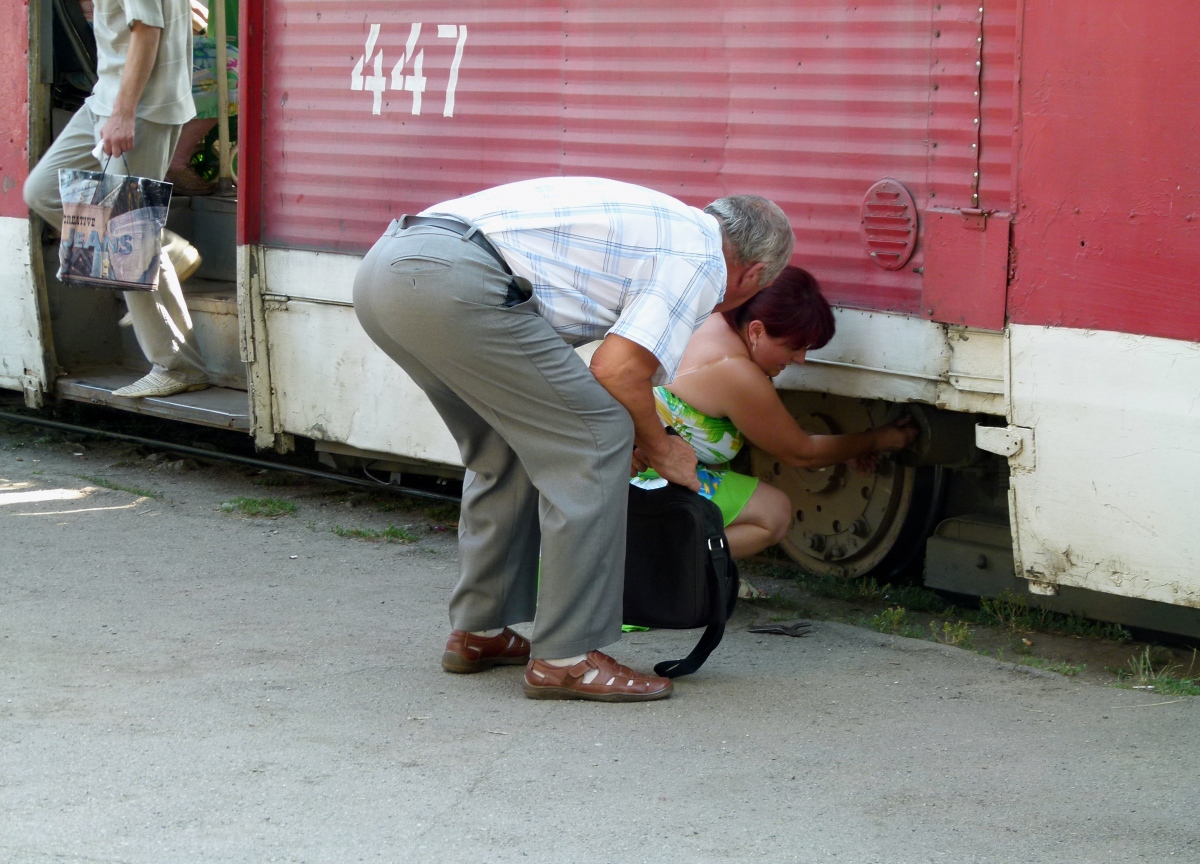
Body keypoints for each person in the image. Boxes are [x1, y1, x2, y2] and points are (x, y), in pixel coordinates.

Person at [353, 177, 794, 702]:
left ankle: (481, 629)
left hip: (388, 269)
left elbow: (599, 377)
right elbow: (618, 369)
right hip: (456, 280)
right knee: (597, 439)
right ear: (754, 273)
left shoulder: (670, 226)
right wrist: (660, 447)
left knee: (505, 448)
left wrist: (641, 434)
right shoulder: (702, 258)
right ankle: (567, 659)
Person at [643, 265, 917, 562]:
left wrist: (844, 452)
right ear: (757, 330)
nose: (800, 359)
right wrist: (877, 440)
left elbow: (766, 434)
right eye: (792, 346)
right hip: (647, 483)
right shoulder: (735, 371)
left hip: (640, 467)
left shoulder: (716, 321)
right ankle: (662, 564)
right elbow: (802, 453)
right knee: (773, 514)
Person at [24, 0, 209, 399]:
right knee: (43, 190)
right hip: (104, 97)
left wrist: (124, 113)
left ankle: (177, 366)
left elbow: (147, 30)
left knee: (129, 236)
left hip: (141, 107)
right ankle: (166, 248)